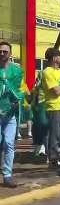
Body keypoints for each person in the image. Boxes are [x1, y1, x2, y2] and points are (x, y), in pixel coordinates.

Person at [0, 41, 25, 188]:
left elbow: (16, 90)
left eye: (5, 51)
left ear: (10, 54)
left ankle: (7, 175)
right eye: (0, 51)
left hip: (10, 115)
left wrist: (17, 100)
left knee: (9, 144)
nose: (2, 54)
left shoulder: (17, 71)